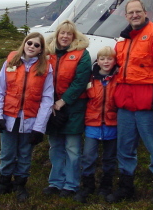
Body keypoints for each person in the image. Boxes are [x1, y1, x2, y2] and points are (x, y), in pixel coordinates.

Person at [106, 0, 153, 210]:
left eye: (138, 11)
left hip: (149, 107)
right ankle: (126, 188)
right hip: (126, 108)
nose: (134, 15)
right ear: (126, 15)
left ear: (146, 13)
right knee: (125, 150)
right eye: (131, 12)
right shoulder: (123, 40)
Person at [0, 32, 54, 202]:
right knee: (7, 154)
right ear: (24, 44)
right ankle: (3, 183)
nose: (32, 46)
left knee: (25, 154)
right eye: (29, 43)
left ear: (41, 50)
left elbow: (47, 99)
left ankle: (20, 185)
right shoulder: (10, 63)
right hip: (8, 118)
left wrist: (39, 128)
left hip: (30, 120)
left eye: (37, 45)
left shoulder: (46, 68)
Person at [42, 19, 92, 198]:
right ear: (57, 35)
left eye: (68, 34)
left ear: (73, 36)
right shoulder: (48, 53)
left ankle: (71, 184)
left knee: (72, 148)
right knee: (55, 147)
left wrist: (63, 101)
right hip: (52, 107)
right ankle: (55, 182)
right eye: (62, 33)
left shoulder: (82, 54)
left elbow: (81, 81)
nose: (65, 36)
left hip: (73, 107)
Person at [74, 46, 119, 204]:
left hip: (112, 124)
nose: (106, 62)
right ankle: (87, 185)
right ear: (97, 61)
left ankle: (106, 186)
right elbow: (82, 97)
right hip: (92, 124)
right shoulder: (90, 79)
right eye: (102, 59)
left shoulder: (119, 79)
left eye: (109, 58)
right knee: (88, 157)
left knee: (109, 158)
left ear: (115, 61)